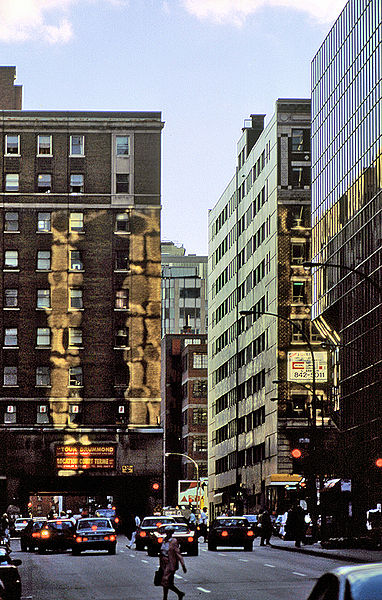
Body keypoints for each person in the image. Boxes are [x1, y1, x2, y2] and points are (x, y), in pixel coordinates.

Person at [159, 527, 187, 600]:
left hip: (170, 564)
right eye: (166, 532)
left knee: (165, 580)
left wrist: (183, 565)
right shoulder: (164, 540)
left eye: (169, 532)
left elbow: (178, 553)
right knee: (167, 582)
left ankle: (166, 597)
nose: (167, 533)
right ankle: (178, 594)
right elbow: (162, 551)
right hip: (163, 563)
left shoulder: (174, 541)